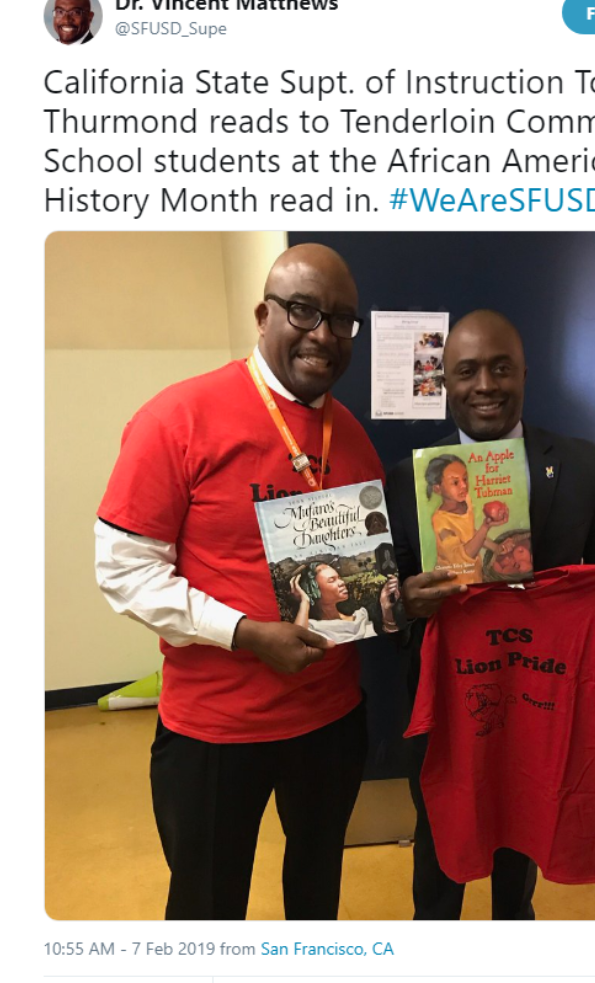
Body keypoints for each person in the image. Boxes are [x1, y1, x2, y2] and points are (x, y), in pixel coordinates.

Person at [95, 243, 383, 920]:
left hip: (331, 721)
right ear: (263, 315)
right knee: (207, 912)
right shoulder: (178, 418)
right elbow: (124, 571)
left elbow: (366, 575)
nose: (323, 335)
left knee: (316, 899)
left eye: (341, 320)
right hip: (216, 731)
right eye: (303, 311)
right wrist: (245, 633)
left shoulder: (353, 439)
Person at [385, 309, 595, 921]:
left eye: (501, 368)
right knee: (441, 840)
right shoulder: (409, 480)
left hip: (539, 697)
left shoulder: (581, 464)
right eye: (467, 371)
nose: (485, 385)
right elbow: (389, 595)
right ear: (444, 383)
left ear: (525, 374)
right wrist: (408, 601)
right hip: (450, 701)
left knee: (523, 828)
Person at [424, 454, 508, 583]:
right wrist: (486, 526)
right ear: (437, 489)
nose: (463, 485)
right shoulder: (440, 521)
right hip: (453, 583)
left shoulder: (465, 501)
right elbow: (463, 557)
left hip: (475, 577)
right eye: (455, 482)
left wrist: (495, 548)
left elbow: (469, 533)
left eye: (465, 479)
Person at [290, 560, 400, 641]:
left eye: (339, 578)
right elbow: (296, 647)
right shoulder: (311, 628)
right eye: (332, 580)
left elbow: (393, 642)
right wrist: (305, 601)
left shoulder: (361, 616)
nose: (342, 582)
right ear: (314, 590)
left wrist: (386, 609)